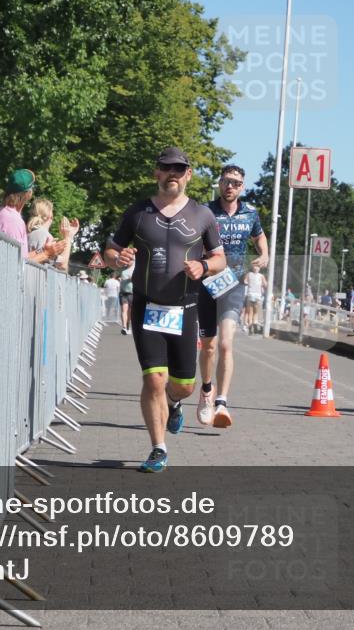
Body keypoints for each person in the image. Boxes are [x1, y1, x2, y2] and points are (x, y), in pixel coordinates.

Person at [104, 147, 225, 473]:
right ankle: (158, 448)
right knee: (154, 380)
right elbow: (110, 253)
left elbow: (220, 258)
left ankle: (174, 405)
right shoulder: (138, 212)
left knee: (184, 385)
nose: (172, 172)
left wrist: (204, 266)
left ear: (187, 175)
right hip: (147, 307)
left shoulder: (203, 215)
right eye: (166, 167)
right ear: (156, 172)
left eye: (179, 168)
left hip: (185, 309)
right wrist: (118, 259)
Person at [197, 164, 268, 429]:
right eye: (227, 181)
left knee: (226, 344)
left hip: (234, 285)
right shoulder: (204, 211)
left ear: (242, 187)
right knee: (209, 346)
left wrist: (265, 255)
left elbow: (261, 238)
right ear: (219, 183)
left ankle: (222, 403)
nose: (230, 186)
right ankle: (206, 391)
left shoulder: (250, 213)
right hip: (207, 284)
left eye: (236, 183)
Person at [0, 170, 68, 264]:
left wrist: (42, 250)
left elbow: (22, 257)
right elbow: (17, 264)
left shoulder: (3, 213)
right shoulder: (12, 220)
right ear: (28, 194)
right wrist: (47, 254)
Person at [26, 197, 79, 271]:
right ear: (50, 216)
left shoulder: (31, 233)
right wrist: (68, 237)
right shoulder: (44, 235)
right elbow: (62, 266)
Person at [242, 262, 266, 335]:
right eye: (255, 267)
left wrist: (262, 284)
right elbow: (245, 281)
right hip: (251, 294)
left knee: (254, 311)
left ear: (259, 268)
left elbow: (265, 284)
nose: (256, 268)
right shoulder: (250, 274)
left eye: (257, 267)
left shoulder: (261, 276)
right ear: (253, 267)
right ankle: (251, 324)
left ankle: (253, 324)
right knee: (251, 311)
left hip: (256, 294)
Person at [119, 261, 135, 335]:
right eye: (127, 261)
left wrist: (133, 278)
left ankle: (127, 326)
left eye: (130, 260)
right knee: (124, 310)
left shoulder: (135, 269)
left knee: (130, 312)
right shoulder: (123, 271)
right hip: (123, 293)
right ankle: (124, 327)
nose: (128, 262)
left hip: (132, 294)